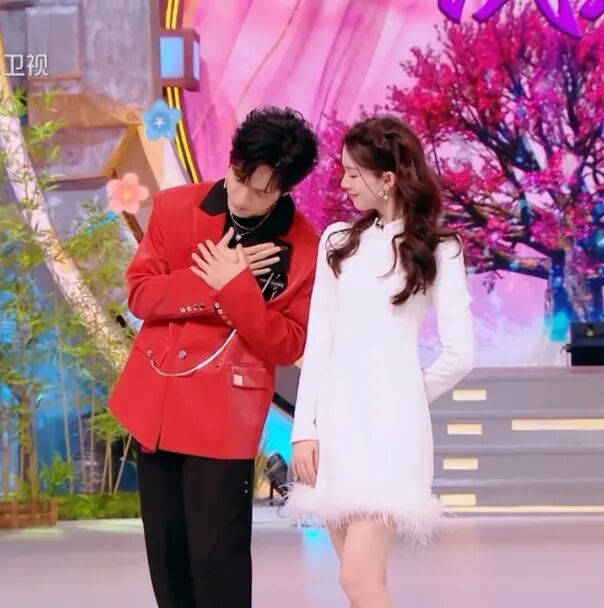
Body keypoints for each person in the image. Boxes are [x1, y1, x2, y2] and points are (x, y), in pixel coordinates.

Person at [108, 106, 320, 608]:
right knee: (168, 558)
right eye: (239, 178)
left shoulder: (304, 245)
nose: (243, 196)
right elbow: (141, 295)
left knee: (217, 559)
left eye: (261, 191)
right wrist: (210, 283)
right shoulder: (176, 207)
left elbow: (288, 343)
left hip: (226, 414)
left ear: (286, 189)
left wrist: (236, 286)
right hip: (159, 401)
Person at [284, 115, 475, 607]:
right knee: (364, 582)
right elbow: (319, 343)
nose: (344, 183)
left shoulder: (440, 249)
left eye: (353, 173)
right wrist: (305, 429)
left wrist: (404, 395)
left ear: (387, 178)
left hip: (391, 433)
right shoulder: (338, 243)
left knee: (358, 579)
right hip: (336, 428)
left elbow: (460, 353)